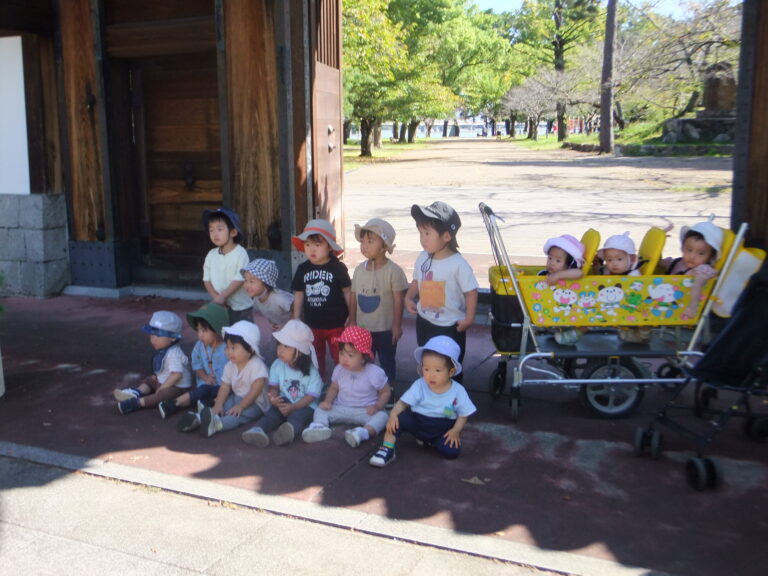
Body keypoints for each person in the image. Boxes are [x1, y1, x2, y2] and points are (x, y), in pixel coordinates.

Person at [369, 336, 476, 468]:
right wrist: (393, 415)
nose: (431, 375)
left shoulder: (458, 390)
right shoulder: (420, 385)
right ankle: (387, 448)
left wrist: (456, 430)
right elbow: (403, 403)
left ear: (451, 371)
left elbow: (463, 414)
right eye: (426, 369)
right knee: (398, 419)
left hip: (442, 428)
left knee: (451, 452)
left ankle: (431, 442)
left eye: (437, 370)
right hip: (418, 422)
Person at [405, 201, 478, 383]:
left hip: (450, 326)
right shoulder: (422, 257)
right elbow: (416, 280)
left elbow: (471, 291)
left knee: (449, 365)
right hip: (425, 321)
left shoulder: (458, 264)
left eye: (428, 233)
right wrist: (408, 296)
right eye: (421, 233)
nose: (423, 238)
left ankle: (452, 400)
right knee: (427, 362)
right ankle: (429, 396)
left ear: (446, 236)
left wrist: (469, 318)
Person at [302, 326, 390, 448]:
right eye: (342, 353)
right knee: (320, 409)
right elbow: (333, 388)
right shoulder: (339, 369)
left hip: (365, 411)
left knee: (383, 416)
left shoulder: (374, 373)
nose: (344, 359)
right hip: (341, 407)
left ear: (364, 357)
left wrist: (378, 406)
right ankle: (319, 426)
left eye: (350, 355)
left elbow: (385, 391)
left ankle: (362, 433)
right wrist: (328, 401)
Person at [241, 320, 323, 447]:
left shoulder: (312, 371)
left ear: (300, 351)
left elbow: (310, 397)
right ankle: (257, 430)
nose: (280, 350)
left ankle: (288, 432)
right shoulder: (277, 365)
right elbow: (273, 387)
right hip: (286, 401)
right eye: (279, 345)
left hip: (305, 405)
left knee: (297, 417)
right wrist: (274, 398)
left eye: (286, 346)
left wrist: (294, 407)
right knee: (272, 413)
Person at [349, 218, 408, 392]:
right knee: (364, 360)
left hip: (386, 329)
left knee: (387, 360)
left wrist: (396, 325)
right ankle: (366, 389)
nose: (364, 246)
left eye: (370, 241)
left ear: (384, 247)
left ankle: (389, 390)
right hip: (363, 328)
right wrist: (352, 320)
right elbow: (354, 296)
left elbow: (399, 300)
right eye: (363, 241)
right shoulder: (359, 270)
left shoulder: (393, 271)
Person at [290, 218, 351, 378]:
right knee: (316, 357)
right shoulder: (303, 269)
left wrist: (352, 316)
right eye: (308, 244)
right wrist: (296, 317)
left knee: (340, 355)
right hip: (312, 323)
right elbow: (298, 294)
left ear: (329, 246)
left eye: (318, 245)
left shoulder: (338, 268)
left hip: (336, 323)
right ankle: (318, 383)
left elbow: (348, 292)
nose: (312, 249)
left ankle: (343, 383)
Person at [157, 302, 229, 424]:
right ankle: (174, 404)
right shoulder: (199, 346)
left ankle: (206, 405)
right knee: (202, 391)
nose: (200, 335)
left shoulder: (227, 348)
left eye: (204, 330)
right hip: (205, 384)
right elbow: (197, 366)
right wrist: (205, 378)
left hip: (224, 386)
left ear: (216, 329)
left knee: (222, 394)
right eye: (198, 330)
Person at [197, 321, 270, 438]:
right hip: (237, 397)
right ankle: (200, 418)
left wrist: (241, 406)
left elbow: (255, 391)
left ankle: (217, 425)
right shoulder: (231, 365)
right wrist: (219, 404)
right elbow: (225, 386)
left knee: (236, 415)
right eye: (227, 347)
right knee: (223, 406)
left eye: (233, 348)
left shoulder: (257, 365)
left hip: (256, 403)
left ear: (250, 349)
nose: (228, 351)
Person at [113, 311, 192, 415]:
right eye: (152, 335)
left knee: (163, 395)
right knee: (150, 380)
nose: (153, 339)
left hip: (178, 387)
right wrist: (157, 377)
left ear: (173, 337)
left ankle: (138, 403)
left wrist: (162, 388)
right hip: (163, 381)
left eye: (158, 336)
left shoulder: (174, 354)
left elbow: (176, 375)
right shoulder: (164, 349)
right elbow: (164, 368)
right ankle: (138, 392)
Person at [661, 219, 722, 320]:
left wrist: (692, 307)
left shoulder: (702, 270)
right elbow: (662, 263)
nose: (692, 256)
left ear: (710, 257)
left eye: (701, 253)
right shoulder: (679, 262)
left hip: (681, 307)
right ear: (683, 248)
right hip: (665, 301)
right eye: (689, 250)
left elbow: (698, 285)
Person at [202, 207, 252, 324]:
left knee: (243, 337)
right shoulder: (211, 254)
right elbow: (206, 280)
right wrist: (217, 298)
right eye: (211, 230)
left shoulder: (240, 253)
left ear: (233, 232)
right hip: (221, 306)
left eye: (219, 229)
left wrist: (223, 296)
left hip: (241, 307)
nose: (215, 234)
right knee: (224, 335)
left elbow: (240, 278)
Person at [241, 258, 294, 365]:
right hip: (280, 330)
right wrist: (273, 323)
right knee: (271, 352)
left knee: (292, 355)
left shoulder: (279, 299)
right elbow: (269, 311)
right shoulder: (256, 299)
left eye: (252, 281)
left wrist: (286, 325)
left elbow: (299, 309)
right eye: (245, 280)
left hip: (295, 329)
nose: (246, 285)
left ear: (265, 283)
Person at [540, 234, 585, 345]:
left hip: (570, 310)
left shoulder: (569, 273)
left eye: (558, 261)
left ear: (570, 264)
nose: (551, 262)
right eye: (550, 258)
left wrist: (558, 276)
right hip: (554, 308)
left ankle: (577, 333)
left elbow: (579, 273)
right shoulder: (546, 273)